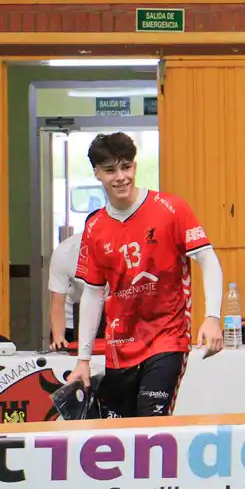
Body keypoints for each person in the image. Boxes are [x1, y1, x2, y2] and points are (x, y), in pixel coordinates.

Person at [67, 132, 224, 417]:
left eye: (126, 167)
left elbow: (208, 258)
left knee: (152, 424)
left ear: (135, 166)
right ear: (97, 173)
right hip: (119, 347)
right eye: (110, 170)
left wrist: (212, 317)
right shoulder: (94, 227)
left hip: (167, 337)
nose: (121, 177)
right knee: (123, 434)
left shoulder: (171, 208)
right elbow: (93, 292)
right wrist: (83, 360)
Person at [47, 230, 84, 349]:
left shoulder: (124, 247)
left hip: (111, 318)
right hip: (71, 320)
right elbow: (57, 301)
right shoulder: (64, 253)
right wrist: (58, 337)